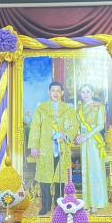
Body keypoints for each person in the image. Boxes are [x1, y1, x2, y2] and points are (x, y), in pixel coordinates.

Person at [28, 81, 77, 215]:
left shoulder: (68, 109)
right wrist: (34, 146)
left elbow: (74, 126)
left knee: (60, 178)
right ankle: (45, 205)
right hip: (45, 148)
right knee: (44, 178)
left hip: (61, 148)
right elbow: (35, 127)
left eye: (58, 91)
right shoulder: (41, 108)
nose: (55, 93)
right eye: (53, 90)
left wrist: (65, 134)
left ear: (62, 93)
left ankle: (59, 205)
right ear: (49, 92)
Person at [75, 84, 108, 212]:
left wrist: (87, 136)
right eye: (83, 92)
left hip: (94, 141)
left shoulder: (98, 106)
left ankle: (97, 203)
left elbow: (100, 125)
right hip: (84, 142)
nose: (85, 94)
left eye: (88, 91)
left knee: (95, 171)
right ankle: (87, 203)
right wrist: (78, 135)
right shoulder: (79, 109)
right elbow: (78, 126)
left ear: (92, 93)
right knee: (86, 171)